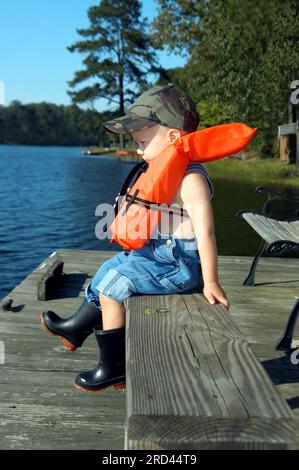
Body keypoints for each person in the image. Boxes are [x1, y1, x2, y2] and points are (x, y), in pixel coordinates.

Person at [40, 83, 230, 393]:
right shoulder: (165, 170)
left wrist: (210, 281)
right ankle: (78, 327)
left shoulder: (191, 179)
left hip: (180, 266)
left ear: (172, 137)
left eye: (142, 142)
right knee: (107, 270)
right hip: (157, 255)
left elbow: (206, 234)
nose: (139, 151)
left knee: (114, 289)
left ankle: (114, 367)